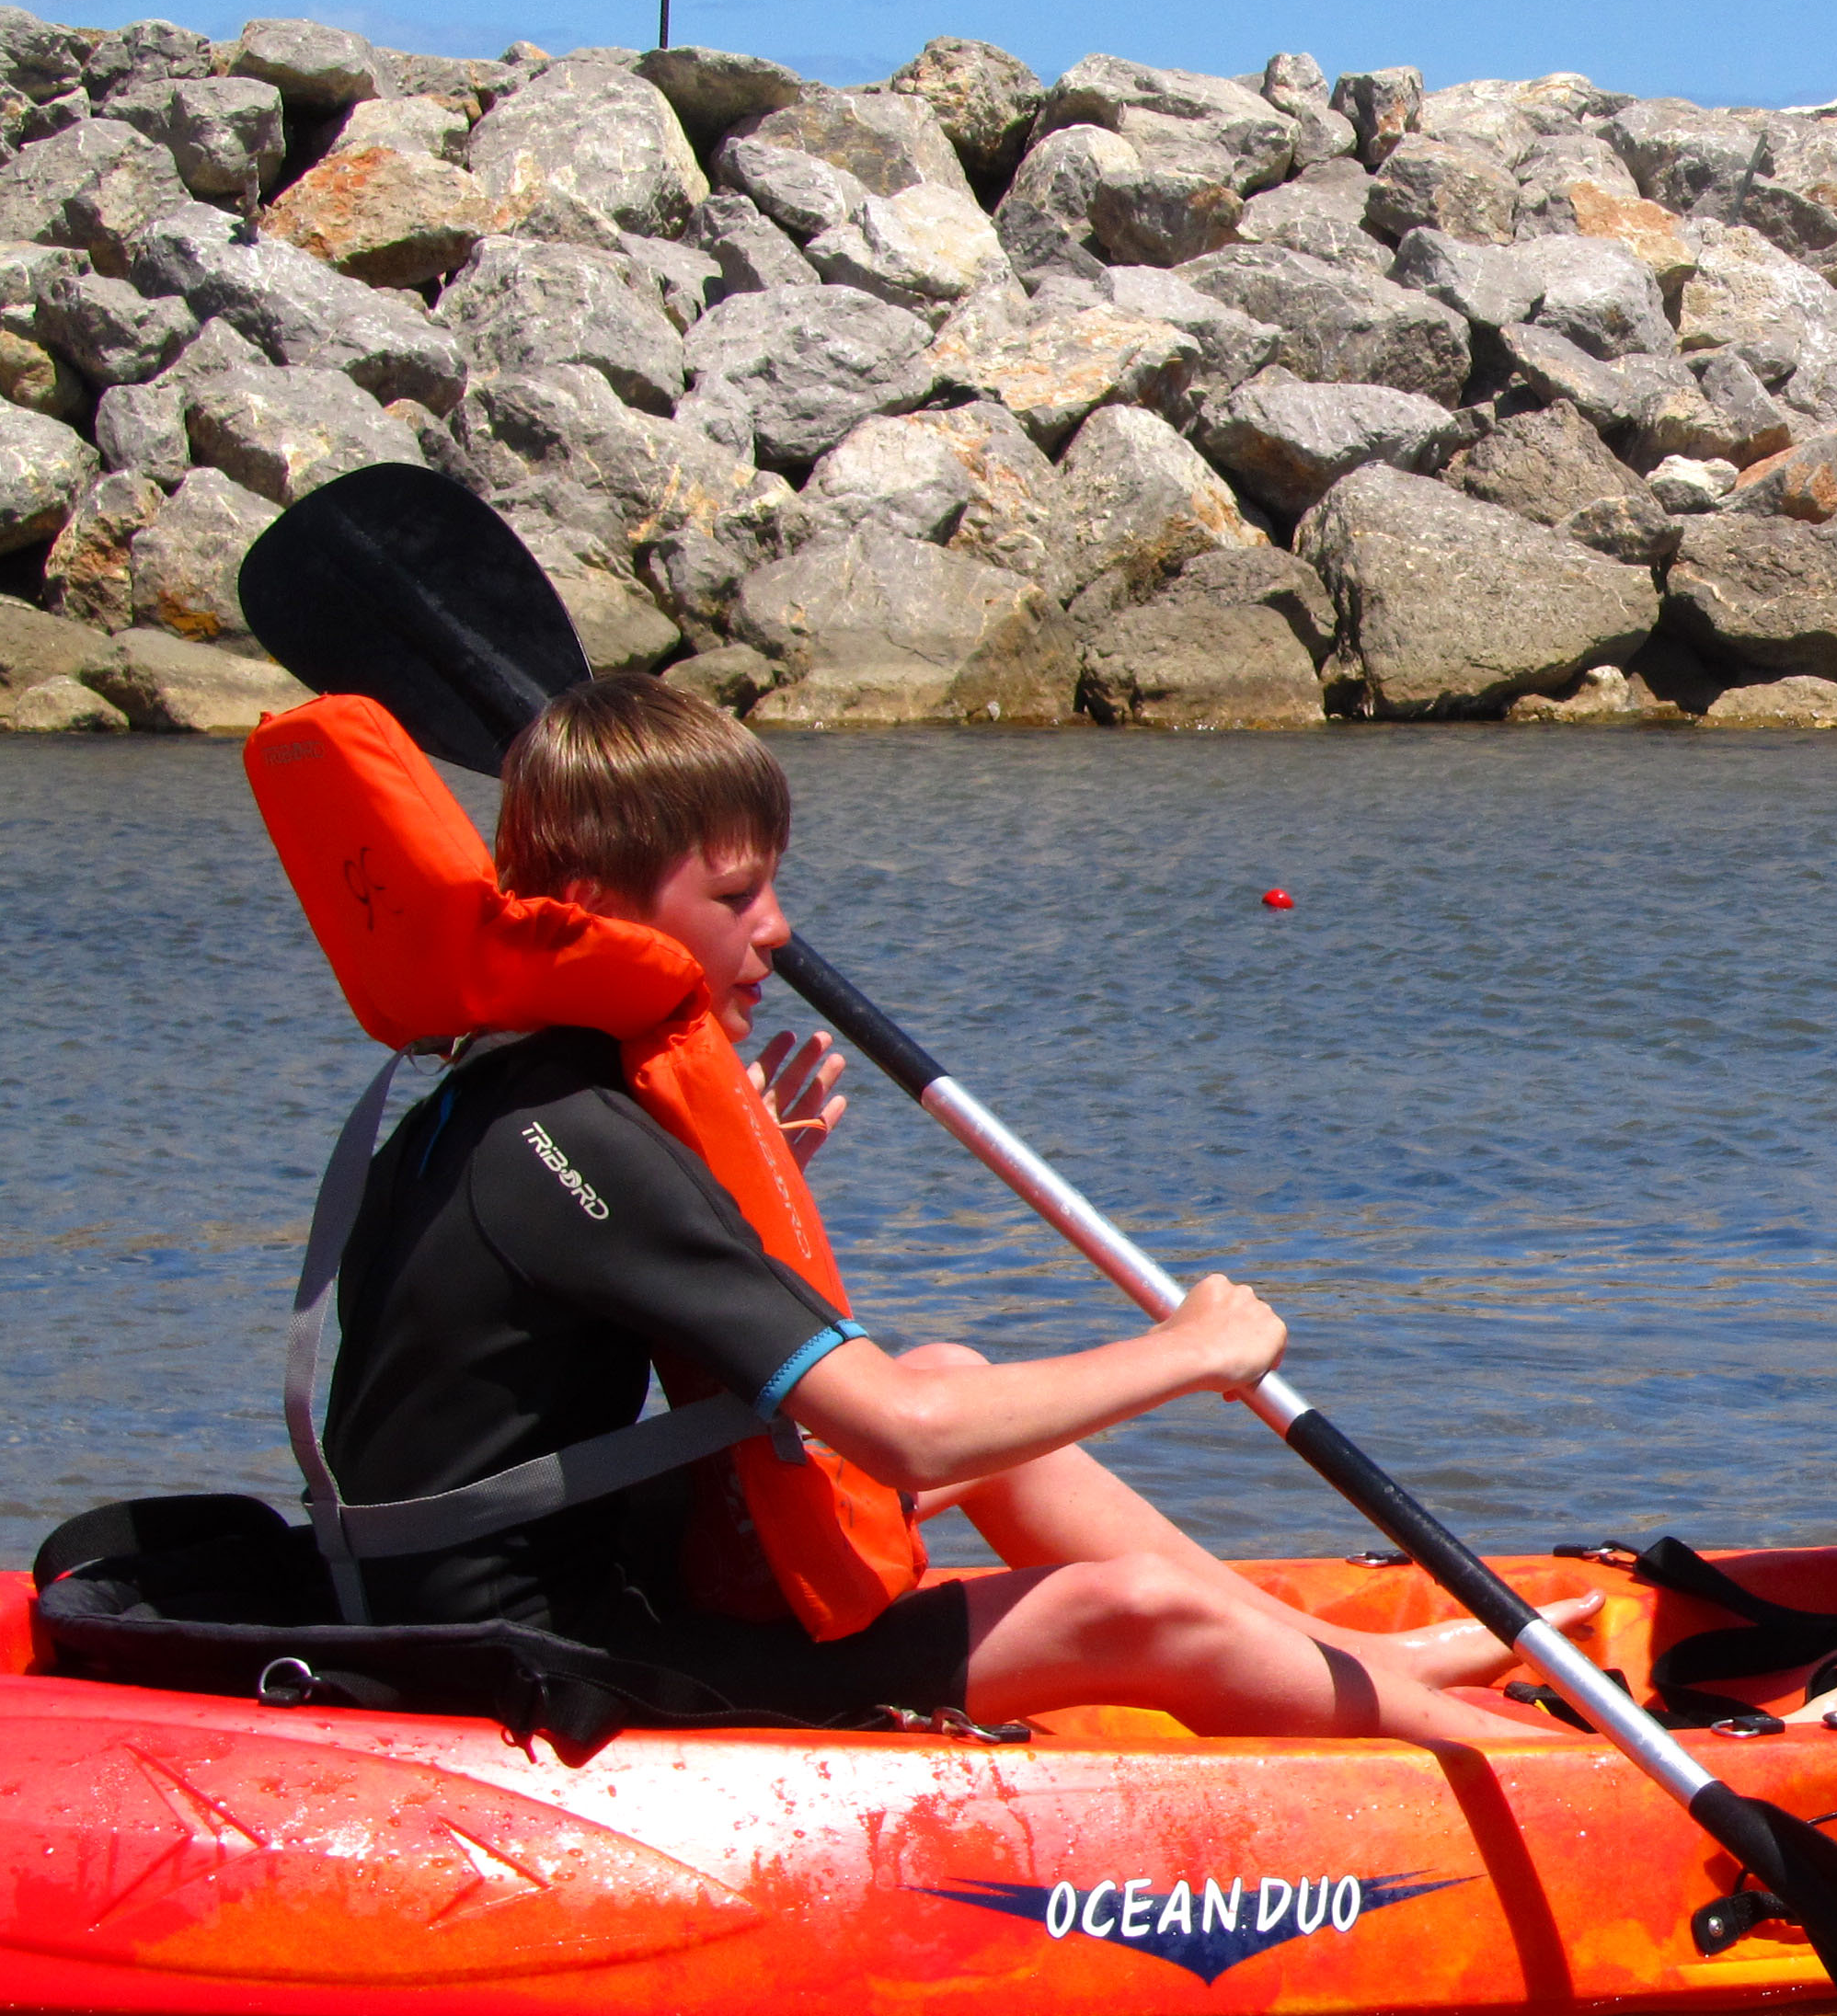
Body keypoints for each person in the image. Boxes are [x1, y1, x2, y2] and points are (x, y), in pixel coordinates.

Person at [316, 672, 1566, 1743]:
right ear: (591, 908)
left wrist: (758, 1195)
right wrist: (1186, 1353)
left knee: (962, 1370)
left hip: (520, 1587)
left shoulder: (493, 1087)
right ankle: (1575, 1787)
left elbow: (575, 1337)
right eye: (736, 897)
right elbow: (905, 1436)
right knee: (1128, 1607)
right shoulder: (587, 1140)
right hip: (545, 1664)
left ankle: (1354, 1665)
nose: (777, 929)